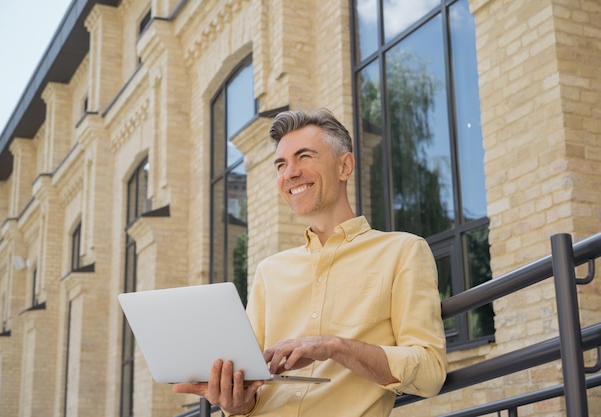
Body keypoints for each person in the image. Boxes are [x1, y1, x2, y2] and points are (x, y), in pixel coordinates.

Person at [174, 108, 447, 416]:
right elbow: (251, 388)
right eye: (281, 164)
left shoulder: (403, 252)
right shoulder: (269, 272)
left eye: (304, 157)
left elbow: (430, 371)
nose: (290, 172)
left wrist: (334, 347)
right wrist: (236, 402)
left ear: (345, 166)